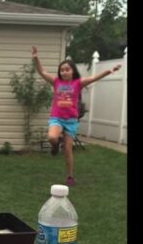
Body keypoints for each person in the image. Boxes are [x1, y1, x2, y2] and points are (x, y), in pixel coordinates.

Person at [31, 46, 121, 186]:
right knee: (52, 137)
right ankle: (55, 146)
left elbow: (94, 77)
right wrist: (36, 58)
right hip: (57, 118)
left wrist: (109, 71)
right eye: (62, 70)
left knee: (68, 150)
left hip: (71, 121)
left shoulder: (78, 83)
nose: (64, 72)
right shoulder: (56, 82)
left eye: (67, 69)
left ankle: (70, 176)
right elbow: (42, 72)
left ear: (73, 71)